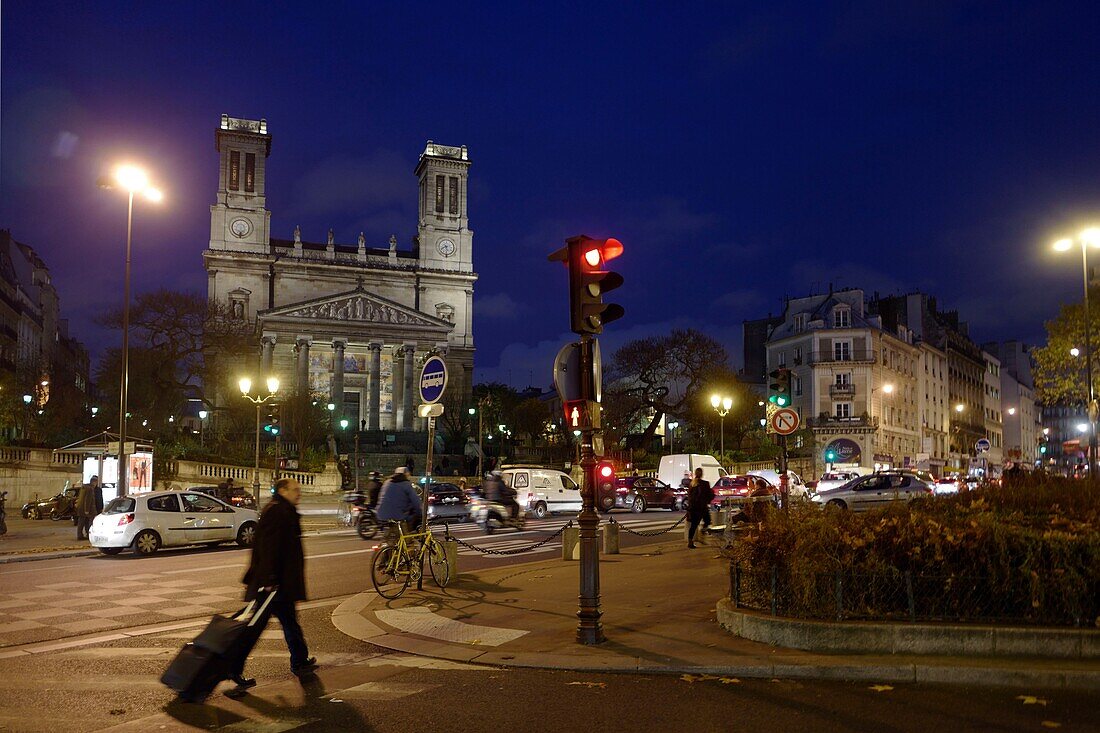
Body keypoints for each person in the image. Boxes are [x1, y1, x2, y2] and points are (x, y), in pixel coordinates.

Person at [233, 477, 316, 696]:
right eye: (295, 490)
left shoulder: (282, 509)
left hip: (279, 585)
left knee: (289, 623)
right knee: (253, 630)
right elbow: (268, 548)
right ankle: (233, 667)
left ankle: (300, 660)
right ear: (282, 490)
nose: (299, 493)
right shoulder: (278, 511)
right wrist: (269, 580)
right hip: (272, 586)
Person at [375, 467, 422, 533]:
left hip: (381, 515)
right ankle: (407, 539)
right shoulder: (406, 484)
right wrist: (419, 512)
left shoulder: (387, 482)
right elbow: (416, 501)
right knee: (411, 523)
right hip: (397, 516)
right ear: (405, 474)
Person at [687, 468, 714, 549]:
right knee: (707, 521)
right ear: (701, 474)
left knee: (694, 525)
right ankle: (702, 533)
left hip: (693, 508)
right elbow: (710, 495)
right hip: (702, 507)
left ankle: (690, 542)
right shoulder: (705, 484)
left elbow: (690, 497)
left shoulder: (692, 484)